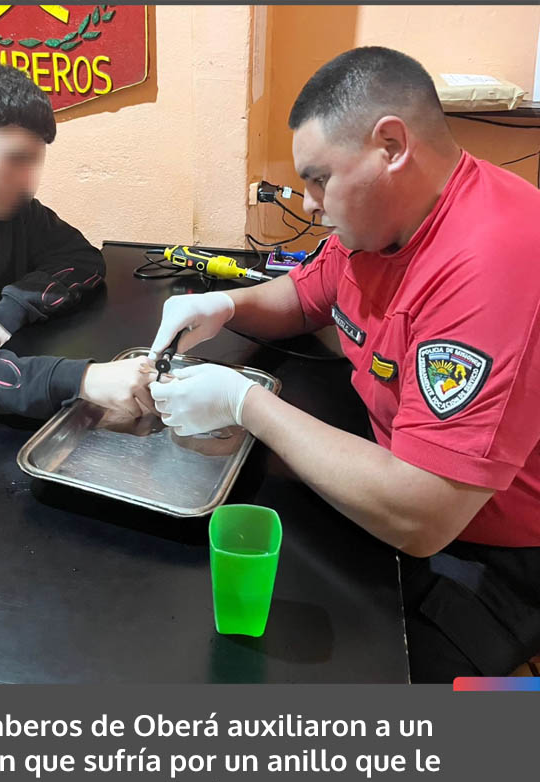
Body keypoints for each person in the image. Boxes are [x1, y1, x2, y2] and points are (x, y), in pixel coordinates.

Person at [147, 47, 540, 682]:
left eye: (319, 179)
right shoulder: (382, 223)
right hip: (393, 474)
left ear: (391, 146)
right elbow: (306, 296)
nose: (309, 203)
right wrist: (223, 305)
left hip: (489, 553)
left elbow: (423, 514)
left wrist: (245, 403)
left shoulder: (494, 262)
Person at [0, 62, 155, 443]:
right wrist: (83, 379)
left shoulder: (10, 209)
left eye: (33, 163)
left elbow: (81, 258)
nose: (28, 184)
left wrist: (13, 308)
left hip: (3, 408)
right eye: (16, 160)